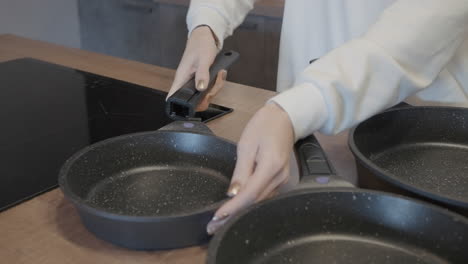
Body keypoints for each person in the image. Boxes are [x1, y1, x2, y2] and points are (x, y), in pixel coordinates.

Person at [167, 0, 468, 234]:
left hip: (425, 143)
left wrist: (298, 107)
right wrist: (207, 24)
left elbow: (422, 27)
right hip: (302, 126)